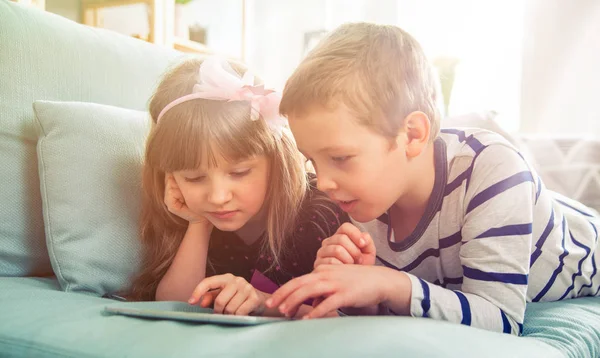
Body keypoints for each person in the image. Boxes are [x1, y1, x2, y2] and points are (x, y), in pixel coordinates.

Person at [266, 22, 600, 334]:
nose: (323, 183)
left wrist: (387, 283)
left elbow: (501, 318)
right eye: (312, 161)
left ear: (412, 135)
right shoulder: (367, 198)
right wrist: (359, 293)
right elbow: (422, 305)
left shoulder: (492, 169)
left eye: (340, 158)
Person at [128, 56, 347, 317]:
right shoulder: (189, 219)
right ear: (170, 178)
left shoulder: (320, 212)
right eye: (194, 178)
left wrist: (265, 303)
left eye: (239, 172)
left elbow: (342, 318)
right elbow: (175, 306)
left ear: (275, 161)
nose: (219, 197)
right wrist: (198, 225)